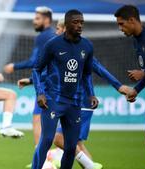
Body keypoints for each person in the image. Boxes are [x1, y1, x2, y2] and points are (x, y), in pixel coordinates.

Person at [18, 18, 131, 169]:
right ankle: (90, 166)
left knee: (61, 140)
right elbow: (51, 74)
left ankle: (90, 166)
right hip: (65, 101)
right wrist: (32, 81)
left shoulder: (82, 49)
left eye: (58, 29)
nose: (56, 32)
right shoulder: (57, 47)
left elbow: (98, 68)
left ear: (66, 28)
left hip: (81, 102)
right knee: (73, 144)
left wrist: (118, 86)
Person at [31, 9, 99, 169]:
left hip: (74, 103)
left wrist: (91, 94)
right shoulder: (53, 44)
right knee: (46, 140)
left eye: (81, 22)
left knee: (70, 147)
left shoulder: (87, 46)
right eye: (75, 22)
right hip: (53, 100)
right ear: (66, 24)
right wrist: (40, 93)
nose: (79, 25)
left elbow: (87, 74)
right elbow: (36, 69)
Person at [4, 6, 56, 144]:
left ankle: (41, 159)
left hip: (47, 84)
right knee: (54, 120)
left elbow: (35, 61)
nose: (34, 21)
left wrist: (14, 66)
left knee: (37, 119)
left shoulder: (44, 37)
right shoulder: (53, 36)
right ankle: (54, 154)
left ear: (46, 20)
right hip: (55, 82)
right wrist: (31, 80)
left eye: (37, 18)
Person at [114, 5, 145, 161]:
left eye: (121, 24)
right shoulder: (137, 41)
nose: (120, 28)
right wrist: (136, 90)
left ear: (132, 20)